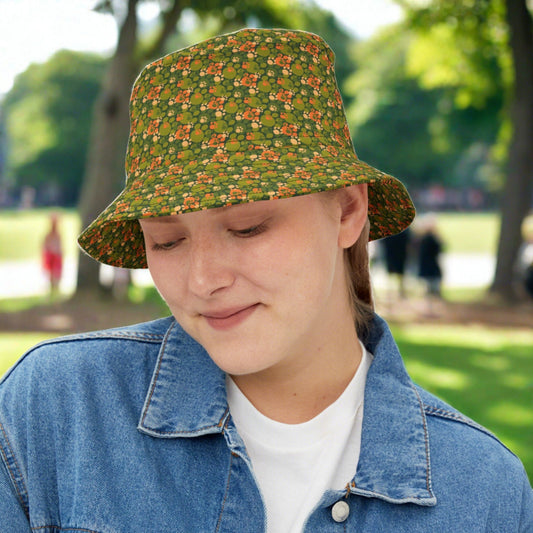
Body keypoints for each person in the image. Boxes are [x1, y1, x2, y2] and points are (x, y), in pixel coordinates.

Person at [0, 29, 531, 532]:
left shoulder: (484, 490)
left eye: (248, 227)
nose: (203, 280)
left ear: (347, 212)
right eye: (166, 241)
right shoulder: (54, 410)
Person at [41, 212, 63, 295]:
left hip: (56, 255)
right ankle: (52, 288)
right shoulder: (49, 235)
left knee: (56, 273)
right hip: (51, 255)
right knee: (51, 273)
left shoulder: (57, 235)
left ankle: (55, 288)